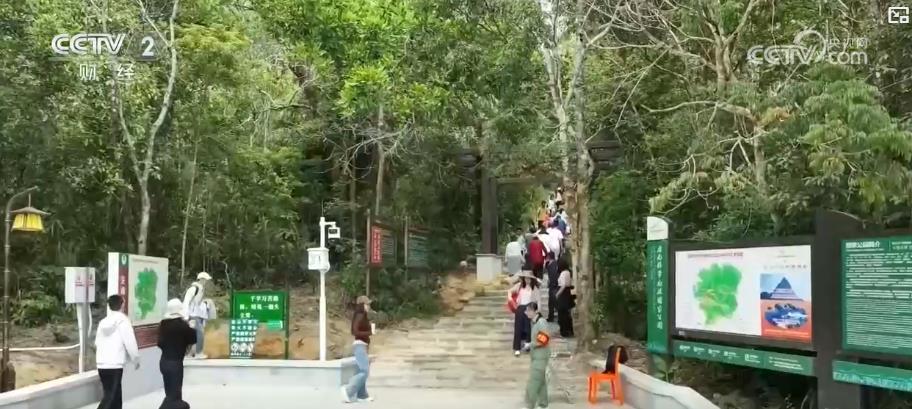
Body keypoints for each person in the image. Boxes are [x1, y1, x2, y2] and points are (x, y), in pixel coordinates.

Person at [95, 294, 140, 409]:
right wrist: (135, 359)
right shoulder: (123, 320)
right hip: (115, 364)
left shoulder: (103, 322)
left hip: (101, 364)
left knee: (114, 394)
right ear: (122, 305)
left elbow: (97, 342)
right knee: (111, 396)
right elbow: (129, 341)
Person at [157, 298, 197, 409]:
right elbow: (192, 344)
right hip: (175, 364)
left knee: (169, 393)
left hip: (164, 362)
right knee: (175, 396)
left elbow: (159, 343)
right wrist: (192, 327)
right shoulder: (183, 326)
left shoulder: (163, 324)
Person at [342, 295, 374, 403]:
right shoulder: (360, 315)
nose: (369, 306)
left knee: (362, 370)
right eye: (367, 304)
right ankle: (348, 390)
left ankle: (362, 395)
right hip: (360, 345)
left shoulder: (363, 316)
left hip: (363, 345)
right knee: (364, 371)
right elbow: (354, 331)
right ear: (362, 305)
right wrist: (369, 332)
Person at [523, 301, 550, 409]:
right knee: (541, 382)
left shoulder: (541, 322)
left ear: (534, 311)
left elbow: (544, 339)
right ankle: (543, 404)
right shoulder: (534, 323)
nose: (526, 313)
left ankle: (529, 405)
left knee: (533, 382)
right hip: (536, 356)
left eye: (528, 311)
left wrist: (531, 344)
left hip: (541, 357)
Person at [508, 272, 541, 357]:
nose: (527, 280)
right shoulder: (519, 286)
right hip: (520, 308)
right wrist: (510, 299)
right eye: (526, 278)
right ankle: (517, 348)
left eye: (529, 278)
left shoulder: (534, 288)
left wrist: (538, 311)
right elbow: (510, 291)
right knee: (518, 328)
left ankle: (528, 343)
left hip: (530, 308)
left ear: (531, 279)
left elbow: (538, 300)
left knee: (528, 327)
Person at [182, 271, 212, 359]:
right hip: (192, 315)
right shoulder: (194, 289)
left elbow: (198, 304)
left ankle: (188, 353)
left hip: (197, 315)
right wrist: (186, 316)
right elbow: (186, 302)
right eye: (205, 280)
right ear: (202, 279)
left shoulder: (200, 289)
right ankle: (198, 353)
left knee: (193, 334)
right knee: (200, 333)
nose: (206, 282)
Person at [555, 260, 575, 337]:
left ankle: (564, 331)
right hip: (567, 293)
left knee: (562, 313)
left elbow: (563, 285)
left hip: (563, 294)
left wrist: (557, 294)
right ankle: (569, 330)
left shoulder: (563, 273)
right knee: (566, 314)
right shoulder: (568, 272)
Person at [545, 253, 560, 322]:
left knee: (551, 302)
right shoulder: (556, 264)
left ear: (548, 257)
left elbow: (551, 276)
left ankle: (551, 317)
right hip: (556, 285)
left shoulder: (550, 265)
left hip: (553, 285)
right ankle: (553, 316)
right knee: (554, 302)